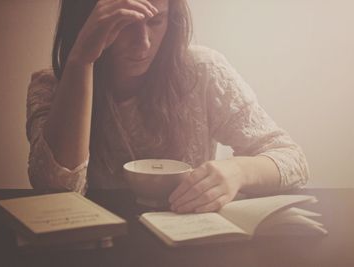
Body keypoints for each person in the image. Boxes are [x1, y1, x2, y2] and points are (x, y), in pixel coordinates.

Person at [26, 0, 309, 214]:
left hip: (188, 249)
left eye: (156, 21)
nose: (144, 43)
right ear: (86, 23)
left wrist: (238, 172)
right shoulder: (51, 87)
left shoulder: (203, 71)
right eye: (124, 24)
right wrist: (81, 60)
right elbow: (56, 191)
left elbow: (292, 159)